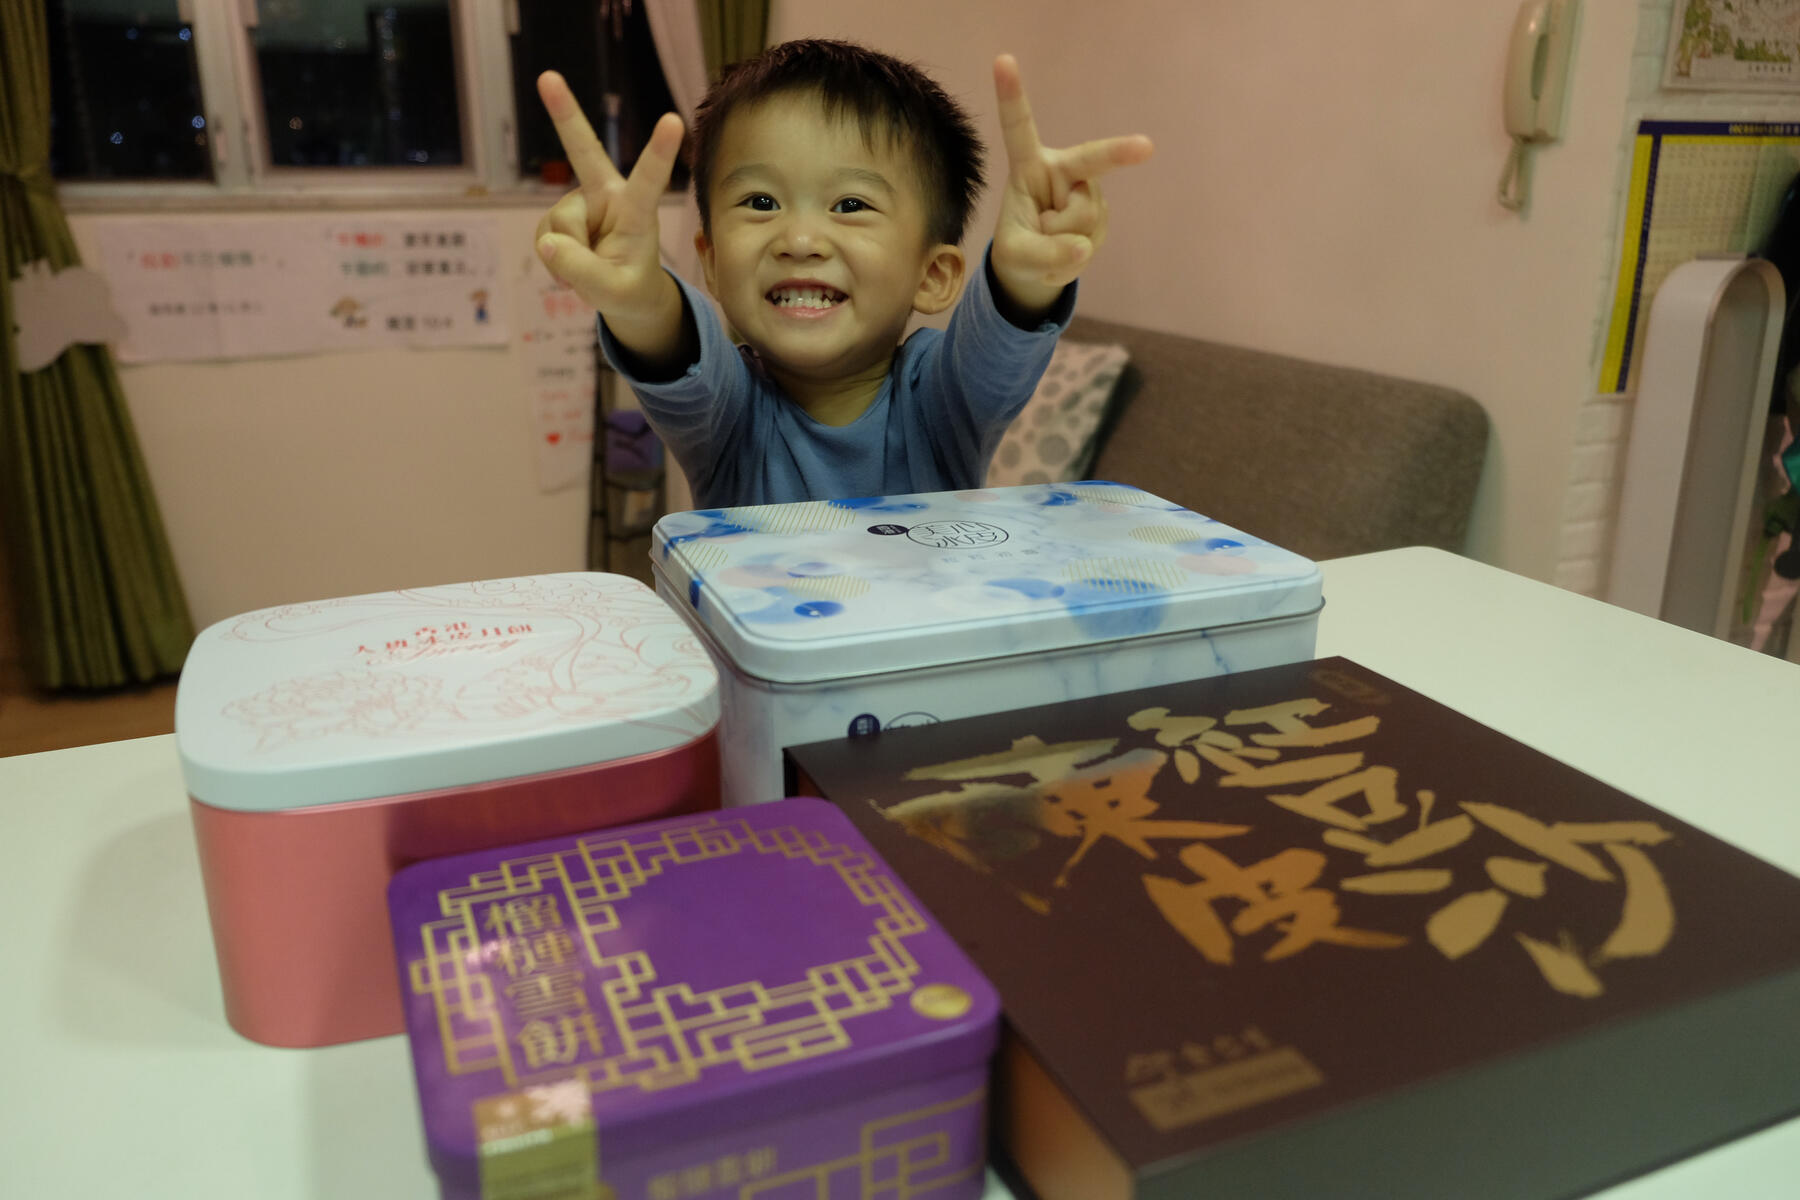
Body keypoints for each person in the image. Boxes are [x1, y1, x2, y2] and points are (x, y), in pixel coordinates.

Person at [533, 39, 1152, 508]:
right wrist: (641, 297)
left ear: (933, 275)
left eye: (851, 205)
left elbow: (992, 351)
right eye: (761, 202)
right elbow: (680, 359)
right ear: (712, 265)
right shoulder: (729, 415)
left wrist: (1023, 272)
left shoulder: (942, 402)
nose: (799, 240)